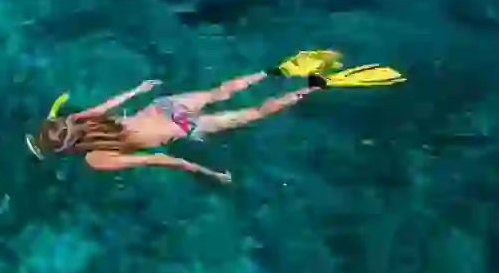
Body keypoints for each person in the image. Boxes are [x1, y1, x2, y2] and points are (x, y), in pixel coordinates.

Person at [24, 50, 403, 183]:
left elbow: (160, 159)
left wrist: (207, 172)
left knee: (254, 112)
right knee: (223, 90)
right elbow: (108, 103)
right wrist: (140, 90)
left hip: (181, 127)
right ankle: (278, 70)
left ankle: (318, 84)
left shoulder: (96, 158)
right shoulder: (84, 119)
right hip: (165, 105)